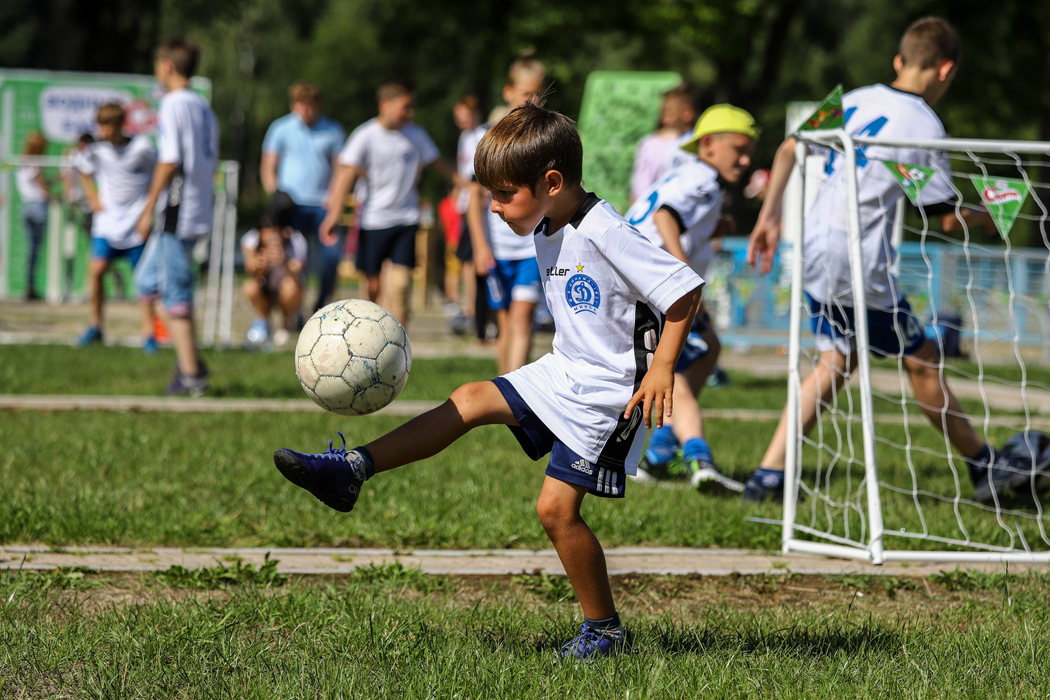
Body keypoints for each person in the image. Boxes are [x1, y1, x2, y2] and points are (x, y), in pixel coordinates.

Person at [273, 103, 704, 659]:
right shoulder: (549, 222)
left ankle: (604, 631)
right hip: (564, 369)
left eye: (503, 195)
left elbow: (683, 290)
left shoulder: (603, 229)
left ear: (551, 182)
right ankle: (351, 470)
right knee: (471, 398)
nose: (495, 208)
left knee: (555, 512)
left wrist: (664, 368)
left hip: (610, 392)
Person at [744, 17, 1030, 504]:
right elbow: (942, 216)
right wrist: (989, 216)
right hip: (858, 262)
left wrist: (768, 218)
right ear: (946, 70)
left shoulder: (855, 98)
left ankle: (769, 475)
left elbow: (791, 145)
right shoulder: (923, 124)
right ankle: (983, 467)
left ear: (899, 61)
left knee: (837, 360)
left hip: (815, 250)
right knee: (921, 361)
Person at [626, 104, 758, 493]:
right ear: (710, 145)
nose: (746, 159)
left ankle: (661, 452)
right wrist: (683, 278)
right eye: (740, 149)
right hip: (651, 284)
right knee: (675, 373)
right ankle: (700, 461)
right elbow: (666, 216)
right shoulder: (703, 179)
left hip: (643, 278)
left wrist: (712, 225)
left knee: (707, 348)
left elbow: (668, 214)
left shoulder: (694, 176)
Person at [321, 79, 462, 326]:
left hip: (406, 219)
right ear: (385, 104)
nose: (410, 113)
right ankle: (367, 338)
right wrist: (333, 215)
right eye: (405, 106)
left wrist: (470, 184)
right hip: (373, 221)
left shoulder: (415, 135)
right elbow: (346, 177)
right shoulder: (365, 135)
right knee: (372, 287)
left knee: (399, 285)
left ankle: (400, 346)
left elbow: (442, 166)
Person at [135, 36, 219, 397]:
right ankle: (192, 360)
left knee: (175, 291)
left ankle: (191, 376)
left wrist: (148, 207)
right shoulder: (202, 105)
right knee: (146, 280)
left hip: (177, 210)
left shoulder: (172, 103)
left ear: (167, 66)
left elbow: (170, 160)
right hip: (198, 206)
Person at [73, 103, 159, 350]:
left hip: (136, 223)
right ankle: (96, 326)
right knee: (97, 271)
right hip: (107, 223)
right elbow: (82, 169)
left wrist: (148, 213)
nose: (103, 131)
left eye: (108, 125)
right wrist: (92, 197)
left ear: (121, 124)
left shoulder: (142, 148)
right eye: (100, 125)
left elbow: (160, 176)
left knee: (143, 281)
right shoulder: (96, 149)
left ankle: (148, 333)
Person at [260, 83, 346, 313]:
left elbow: (341, 170)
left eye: (310, 105)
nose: (305, 110)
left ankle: (321, 305)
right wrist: (277, 194)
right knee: (294, 261)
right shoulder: (280, 128)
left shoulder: (333, 131)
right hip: (292, 205)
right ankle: (293, 309)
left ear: (318, 105)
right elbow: (268, 167)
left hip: (322, 205)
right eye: (301, 105)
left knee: (331, 258)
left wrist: (335, 196)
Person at [467, 153, 541, 373]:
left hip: (532, 250)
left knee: (522, 315)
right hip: (498, 251)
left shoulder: (535, 152)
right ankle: (505, 386)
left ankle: (515, 391)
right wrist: (480, 246)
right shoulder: (490, 154)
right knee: (505, 321)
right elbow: (474, 199)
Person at [241, 205, 307, 350]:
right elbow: (250, 270)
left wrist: (284, 261)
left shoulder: (296, 240)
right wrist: (261, 266)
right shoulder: (251, 240)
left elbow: (298, 272)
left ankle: (286, 324)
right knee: (250, 286)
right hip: (266, 288)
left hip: (286, 289)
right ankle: (264, 324)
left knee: (291, 285)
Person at [448, 95, 487, 330]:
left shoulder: (483, 135)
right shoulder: (465, 136)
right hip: (464, 204)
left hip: (477, 203)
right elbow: (462, 170)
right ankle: (467, 304)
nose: (462, 119)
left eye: (466, 114)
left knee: (474, 258)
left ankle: (473, 307)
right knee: (464, 258)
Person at [629, 84, 697, 203]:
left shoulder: (699, 142)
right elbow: (639, 192)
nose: (663, 118)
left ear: (687, 113)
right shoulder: (652, 143)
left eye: (668, 112)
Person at [16, 132, 51, 301]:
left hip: (26, 207)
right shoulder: (34, 163)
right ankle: (30, 287)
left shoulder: (20, 162)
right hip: (37, 207)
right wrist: (51, 194)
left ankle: (29, 285)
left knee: (31, 250)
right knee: (35, 251)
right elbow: (40, 184)